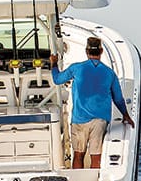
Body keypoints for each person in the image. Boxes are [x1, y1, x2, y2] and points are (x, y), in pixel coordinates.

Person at [50, 36, 135, 170]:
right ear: (101, 51)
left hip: (79, 120)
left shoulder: (76, 68)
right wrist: (126, 115)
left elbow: (57, 79)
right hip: (99, 121)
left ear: (86, 51)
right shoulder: (109, 73)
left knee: (78, 155)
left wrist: (54, 63)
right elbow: (118, 98)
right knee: (96, 156)